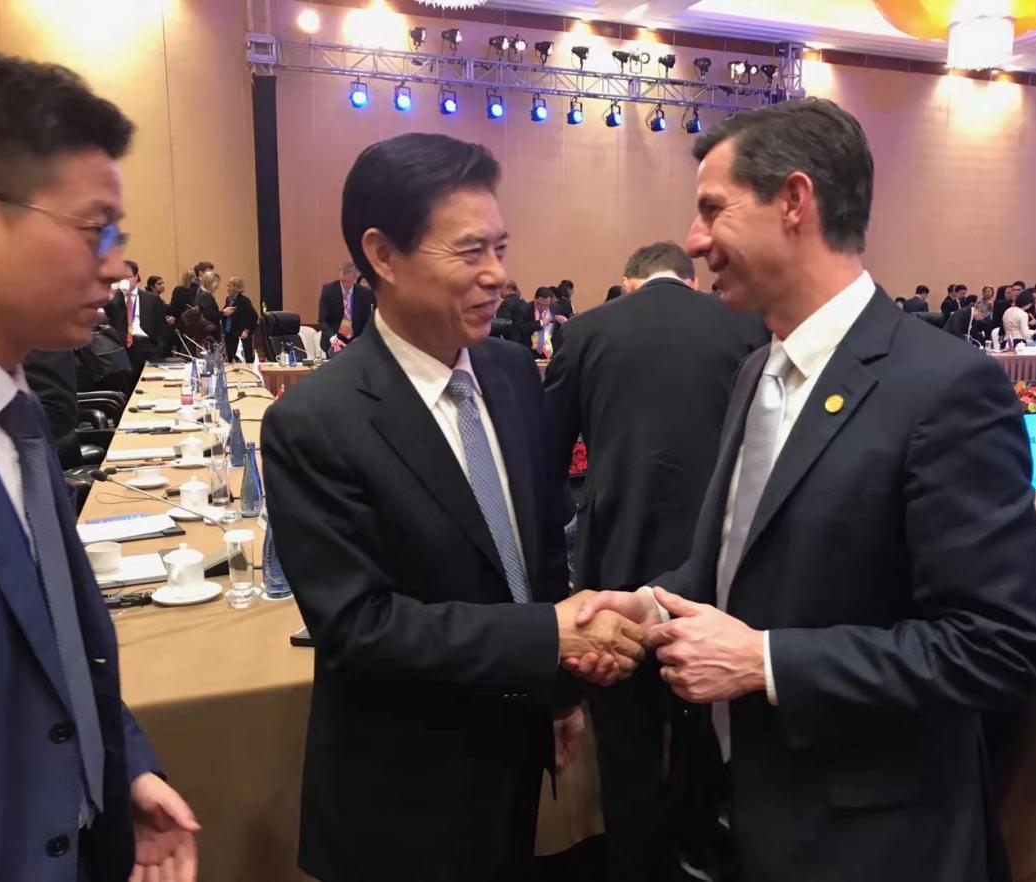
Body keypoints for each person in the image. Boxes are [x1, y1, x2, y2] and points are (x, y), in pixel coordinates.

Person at [571, 98, 1036, 882]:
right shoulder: (757, 369)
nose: (694, 242)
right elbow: (732, 566)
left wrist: (766, 662)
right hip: (743, 812)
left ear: (794, 201)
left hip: (873, 842)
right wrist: (651, 605)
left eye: (712, 210)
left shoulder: (944, 388)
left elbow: (996, 647)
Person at [261, 132, 647, 882]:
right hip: (400, 792)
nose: (498, 276)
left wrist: (561, 688)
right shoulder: (317, 421)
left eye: (501, 248)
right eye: (471, 253)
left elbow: (539, 552)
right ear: (382, 255)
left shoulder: (508, 373)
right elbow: (360, 626)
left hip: (511, 761)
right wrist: (550, 637)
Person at [0, 51, 199, 882]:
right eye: (91, 229)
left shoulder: (18, 413)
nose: (113, 264)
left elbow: (55, 645)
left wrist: (124, 763)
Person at [546, 240, 766, 882]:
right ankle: (698, 850)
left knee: (628, 741)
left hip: (616, 564)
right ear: (692, 282)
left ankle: (633, 861)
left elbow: (549, 462)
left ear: (628, 282)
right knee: (708, 723)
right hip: (719, 570)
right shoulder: (745, 328)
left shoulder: (585, 330)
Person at [104, 258, 166, 383]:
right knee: (125, 385)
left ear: (136, 277)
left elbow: (161, 327)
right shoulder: (113, 300)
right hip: (122, 347)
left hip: (146, 345)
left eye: (128, 277)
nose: (124, 281)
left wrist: (159, 348)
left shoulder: (151, 299)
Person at [318, 261, 373, 356]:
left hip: (356, 343)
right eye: (342, 281)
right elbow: (322, 320)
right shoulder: (328, 290)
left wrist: (359, 341)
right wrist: (333, 338)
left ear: (355, 279)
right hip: (333, 340)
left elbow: (367, 321)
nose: (345, 285)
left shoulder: (364, 294)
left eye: (349, 282)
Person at [520, 285, 564, 359]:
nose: (543, 308)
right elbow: (520, 328)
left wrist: (564, 321)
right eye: (540, 304)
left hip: (550, 352)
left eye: (546, 305)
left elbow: (562, 329)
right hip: (530, 351)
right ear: (535, 299)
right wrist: (540, 323)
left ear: (551, 301)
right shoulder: (524, 309)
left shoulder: (557, 308)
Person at [222, 275, 258, 362]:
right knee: (230, 359)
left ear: (236, 288)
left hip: (241, 336)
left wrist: (247, 330)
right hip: (229, 334)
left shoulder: (244, 301)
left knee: (243, 360)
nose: (227, 288)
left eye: (229, 286)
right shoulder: (228, 300)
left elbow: (254, 317)